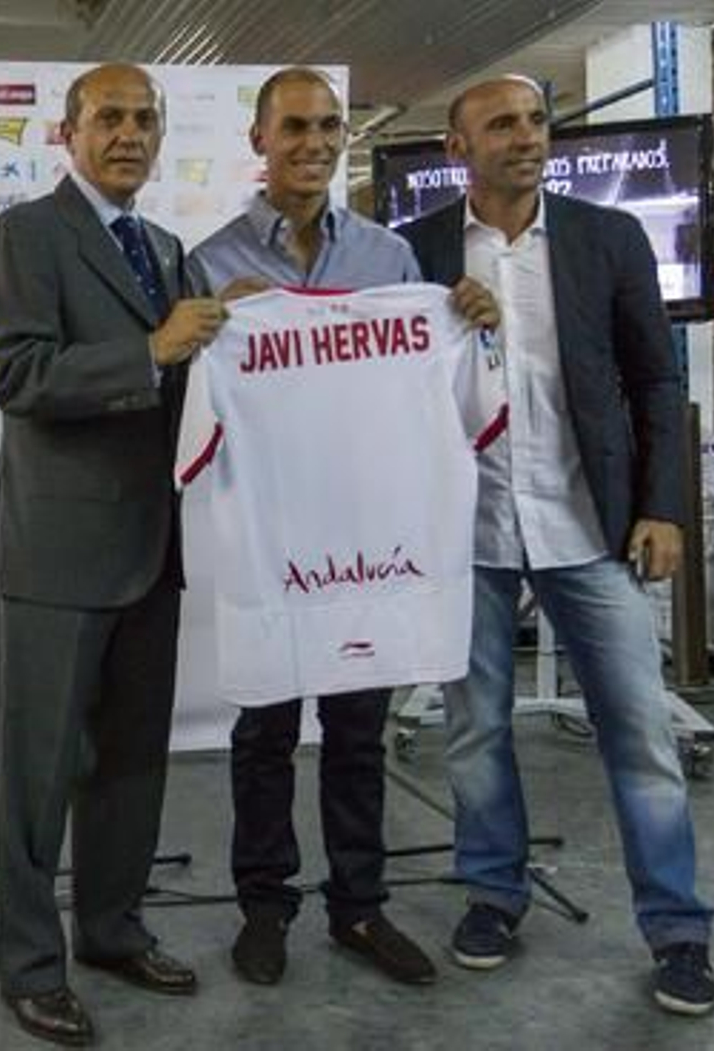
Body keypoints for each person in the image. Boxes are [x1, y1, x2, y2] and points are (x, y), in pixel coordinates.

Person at [398, 75, 714, 1016]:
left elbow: (657, 381)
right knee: (474, 730)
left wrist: (663, 507)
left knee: (642, 732)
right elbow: (384, 384)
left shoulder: (605, 238)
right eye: (502, 124)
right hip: (472, 532)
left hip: (589, 526)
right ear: (458, 147)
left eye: (536, 122)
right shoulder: (413, 253)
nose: (527, 138)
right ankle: (494, 891)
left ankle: (678, 927)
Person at [187, 65, 498, 991]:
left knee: (359, 730)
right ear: (259, 140)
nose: (315, 143)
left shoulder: (391, 262)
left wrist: (468, 320)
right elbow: (185, 394)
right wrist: (218, 326)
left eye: (329, 127)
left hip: (367, 538)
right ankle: (264, 908)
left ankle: (360, 907)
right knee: (265, 732)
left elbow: (423, 383)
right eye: (295, 128)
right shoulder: (208, 263)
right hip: (278, 538)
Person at [0, 62, 229, 1047]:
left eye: (144, 119)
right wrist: (154, 351)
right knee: (37, 780)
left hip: (150, 549)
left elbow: (193, 371)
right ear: (67, 132)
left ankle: (114, 929)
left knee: (131, 767)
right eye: (109, 117)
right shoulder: (25, 235)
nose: (128, 134)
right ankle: (31, 968)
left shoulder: (166, 248)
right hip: (51, 556)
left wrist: (239, 327)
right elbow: (16, 372)